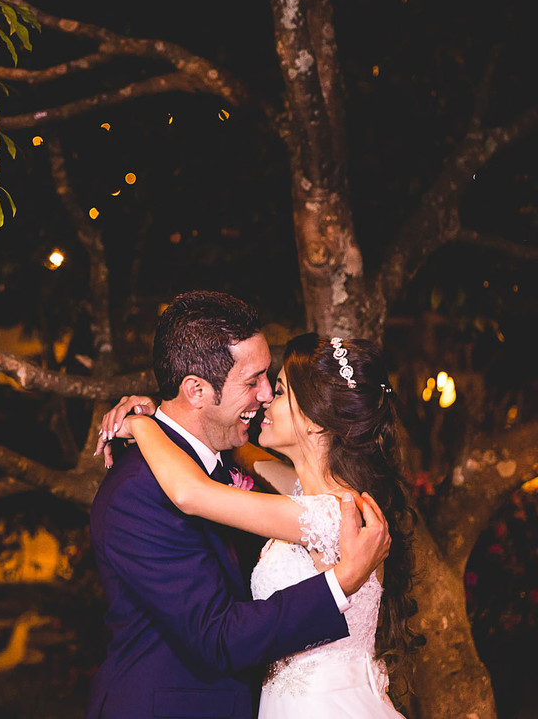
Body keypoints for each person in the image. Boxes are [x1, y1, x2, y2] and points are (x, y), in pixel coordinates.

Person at [86, 291, 391, 719]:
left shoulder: (324, 510)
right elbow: (217, 635)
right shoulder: (138, 490)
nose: (265, 395)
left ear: (317, 422)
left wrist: (142, 423)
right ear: (196, 390)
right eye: (255, 381)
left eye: (275, 385)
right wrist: (150, 423)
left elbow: (192, 492)